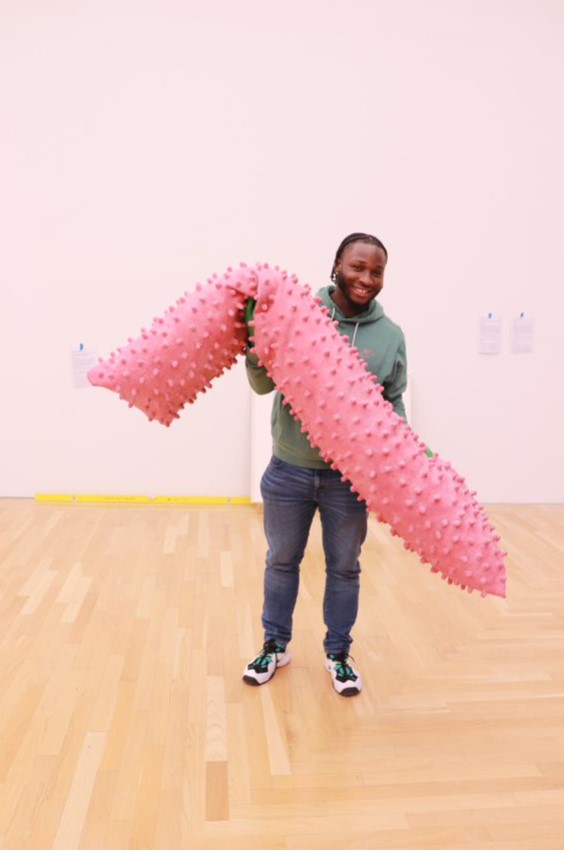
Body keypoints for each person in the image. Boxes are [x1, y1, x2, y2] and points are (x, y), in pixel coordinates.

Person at [242, 233, 407, 696]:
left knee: (345, 568)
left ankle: (338, 654)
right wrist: (254, 344)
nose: (366, 279)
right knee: (281, 561)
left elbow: (392, 402)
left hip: (349, 479)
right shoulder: (298, 315)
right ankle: (275, 645)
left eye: (376, 272)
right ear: (336, 264)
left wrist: (406, 451)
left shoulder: (390, 336)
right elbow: (261, 384)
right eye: (357, 267)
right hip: (289, 468)